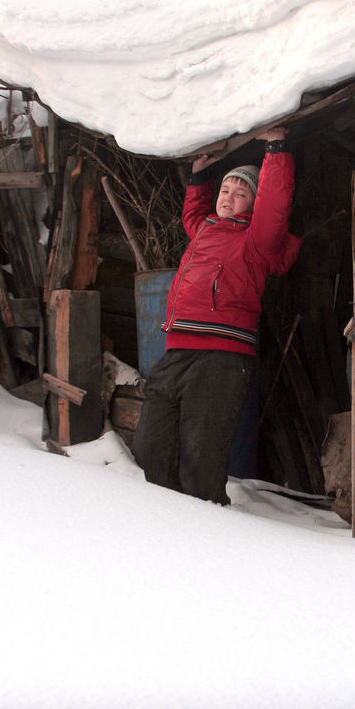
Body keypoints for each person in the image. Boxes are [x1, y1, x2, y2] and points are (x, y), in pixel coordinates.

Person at [131, 126, 301, 505]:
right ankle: (167, 525)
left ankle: (209, 539)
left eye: (241, 193)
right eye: (225, 191)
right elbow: (193, 209)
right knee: (149, 448)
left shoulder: (258, 241)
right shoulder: (204, 230)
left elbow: (275, 203)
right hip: (176, 351)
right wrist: (199, 175)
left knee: (201, 463)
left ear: (253, 205)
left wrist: (275, 148)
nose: (229, 197)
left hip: (221, 358)